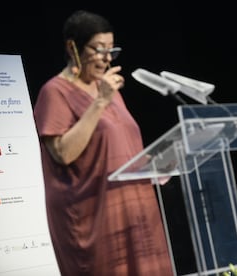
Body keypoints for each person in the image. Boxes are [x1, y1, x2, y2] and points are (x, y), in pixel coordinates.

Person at [33, 10, 173, 276]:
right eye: (99, 50)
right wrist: (100, 102)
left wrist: (158, 164)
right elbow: (63, 153)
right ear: (72, 47)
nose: (107, 59)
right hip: (95, 216)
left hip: (138, 210)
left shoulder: (108, 90)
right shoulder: (55, 92)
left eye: (112, 50)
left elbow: (121, 146)